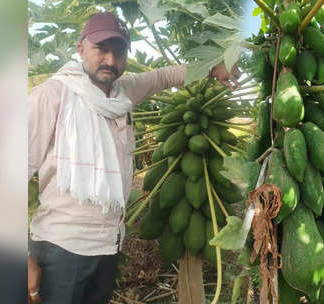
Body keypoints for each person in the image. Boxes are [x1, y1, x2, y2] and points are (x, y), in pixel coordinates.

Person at [27, 12, 239, 304]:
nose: (110, 61)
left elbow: (164, 77)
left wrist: (212, 68)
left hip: (107, 246)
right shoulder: (52, 96)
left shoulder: (122, 92)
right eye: (101, 49)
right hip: (60, 249)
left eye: (119, 52)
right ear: (80, 49)